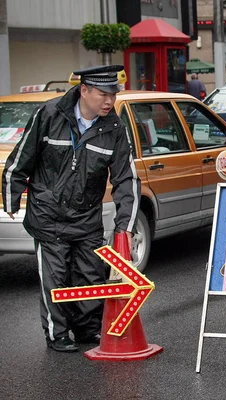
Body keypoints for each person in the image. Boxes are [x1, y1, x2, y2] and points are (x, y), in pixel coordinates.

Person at [1, 65, 141, 353]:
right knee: (55, 279)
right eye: (103, 94)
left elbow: (126, 179)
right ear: (84, 90)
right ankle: (58, 334)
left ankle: (88, 329)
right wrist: (11, 196)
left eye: (113, 95)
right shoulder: (49, 115)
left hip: (87, 217)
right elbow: (21, 158)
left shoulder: (114, 129)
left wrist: (124, 224)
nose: (109, 101)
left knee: (90, 276)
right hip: (47, 215)